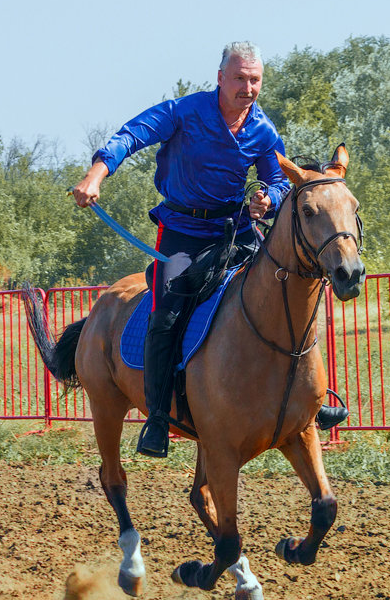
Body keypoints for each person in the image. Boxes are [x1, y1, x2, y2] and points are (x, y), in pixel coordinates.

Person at [72, 41, 345, 458]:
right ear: (220, 78)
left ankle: (309, 399)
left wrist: (268, 200)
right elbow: (131, 135)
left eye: (254, 80)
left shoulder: (264, 131)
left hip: (234, 230)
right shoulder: (183, 112)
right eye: (239, 78)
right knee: (167, 316)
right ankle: (159, 417)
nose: (247, 88)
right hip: (182, 232)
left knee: (286, 290)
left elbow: (277, 178)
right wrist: (96, 174)